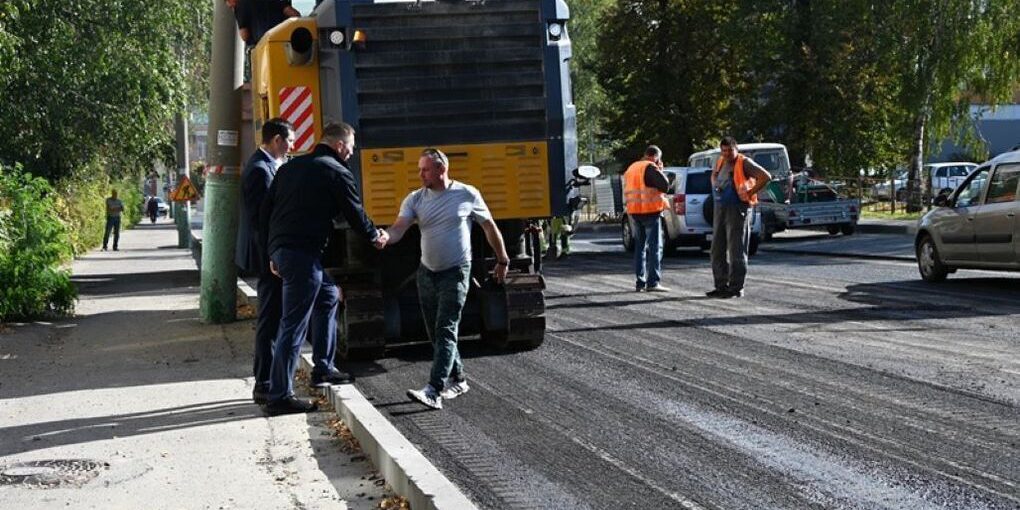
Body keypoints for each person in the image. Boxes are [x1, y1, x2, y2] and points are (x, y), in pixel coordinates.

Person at [259, 121, 387, 416]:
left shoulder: (289, 168)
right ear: (340, 146)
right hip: (302, 254)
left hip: (285, 250)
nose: (351, 155)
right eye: (351, 149)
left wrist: (272, 253)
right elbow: (354, 212)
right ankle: (279, 395)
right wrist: (374, 236)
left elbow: (266, 212)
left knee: (329, 294)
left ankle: (324, 368)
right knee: (293, 325)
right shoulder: (337, 171)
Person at [382, 148, 510, 410]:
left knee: (446, 329)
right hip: (426, 273)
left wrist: (502, 259)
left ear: (441, 170)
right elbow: (398, 228)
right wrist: (383, 237)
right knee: (437, 333)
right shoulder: (415, 199)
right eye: (420, 169)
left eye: (425, 170)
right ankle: (459, 378)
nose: (420, 174)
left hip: (456, 271)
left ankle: (434, 390)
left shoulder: (466, 194)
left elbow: (489, 226)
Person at [235, 117, 294, 405]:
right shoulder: (260, 170)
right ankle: (265, 383)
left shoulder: (267, 165)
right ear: (277, 140)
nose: (292, 146)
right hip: (265, 254)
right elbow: (262, 221)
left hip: (267, 252)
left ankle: (268, 381)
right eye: (290, 140)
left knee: (273, 317)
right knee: (270, 319)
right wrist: (274, 255)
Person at [707, 136, 771, 298]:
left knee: (736, 249)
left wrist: (749, 192)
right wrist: (715, 183)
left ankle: (736, 287)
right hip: (720, 207)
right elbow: (714, 175)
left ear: (737, 149)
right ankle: (721, 285)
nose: (727, 154)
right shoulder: (720, 161)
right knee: (717, 249)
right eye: (724, 151)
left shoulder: (744, 163)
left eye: (730, 150)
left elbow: (765, 176)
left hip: (738, 208)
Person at [623, 145, 671, 292]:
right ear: (655, 157)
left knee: (640, 248)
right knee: (656, 248)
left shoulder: (632, 168)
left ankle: (640, 282)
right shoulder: (650, 167)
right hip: (651, 212)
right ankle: (653, 282)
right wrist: (660, 170)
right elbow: (665, 186)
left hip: (635, 212)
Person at [226, 0, 300, 47]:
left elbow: (245, 35)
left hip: (265, 47)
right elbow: (294, 14)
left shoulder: (240, 6)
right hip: (288, 42)